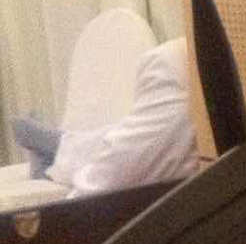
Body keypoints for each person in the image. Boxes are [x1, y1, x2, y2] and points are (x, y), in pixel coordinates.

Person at [13, 37, 199, 196]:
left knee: (130, 139)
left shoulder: (178, 64)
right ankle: (59, 144)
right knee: (125, 132)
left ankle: (55, 155)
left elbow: (111, 177)